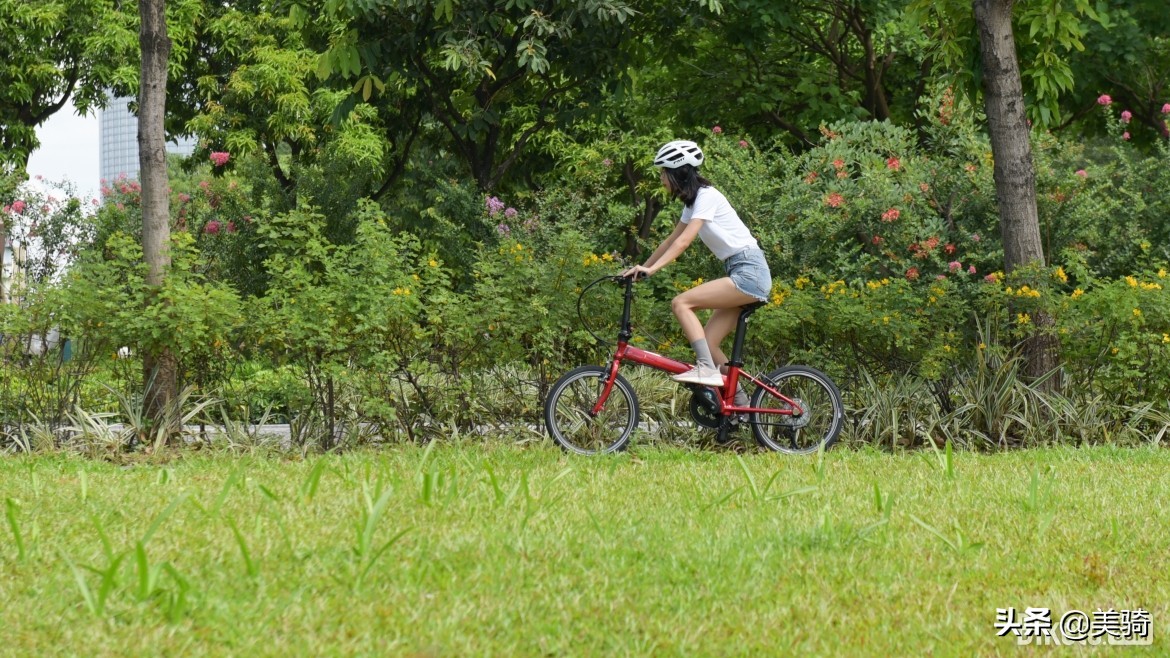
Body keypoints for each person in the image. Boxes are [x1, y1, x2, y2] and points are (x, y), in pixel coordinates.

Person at [622, 139, 772, 400]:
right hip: (740, 270)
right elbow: (670, 239)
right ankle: (741, 403)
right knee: (710, 343)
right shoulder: (692, 203)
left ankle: (707, 371)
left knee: (681, 303)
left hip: (750, 272)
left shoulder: (707, 196)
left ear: (677, 172)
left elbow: (684, 241)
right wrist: (642, 268)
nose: (661, 179)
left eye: (663, 172)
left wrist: (654, 269)